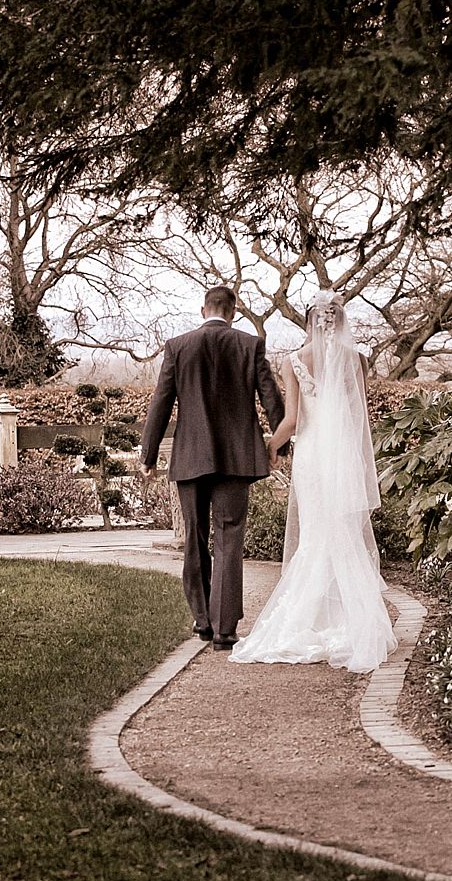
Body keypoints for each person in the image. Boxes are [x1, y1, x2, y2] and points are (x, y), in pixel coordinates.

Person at [229, 290, 395, 673]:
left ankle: (309, 620)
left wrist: (269, 446)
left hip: (314, 455)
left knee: (316, 535)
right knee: (342, 536)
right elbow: (358, 418)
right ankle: (354, 623)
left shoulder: (296, 361)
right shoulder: (357, 359)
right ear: (340, 321)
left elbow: (292, 421)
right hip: (343, 453)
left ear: (310, 322)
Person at [139, 286, 287, 648]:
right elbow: (271, 398)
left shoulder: (178, 346)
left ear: (203, 310)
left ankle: (202, 619)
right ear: (233, 312)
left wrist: (148, 454)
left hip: (191, 457)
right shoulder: (250, 345)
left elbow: (161, 402)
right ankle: (225, 628)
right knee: (229, 538)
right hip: (237, 458)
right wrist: (279, 445)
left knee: (195, 536)